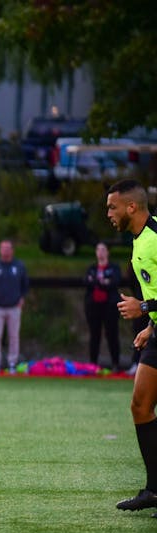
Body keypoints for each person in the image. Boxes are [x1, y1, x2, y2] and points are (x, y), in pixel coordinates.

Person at [110, 179, 157, 515]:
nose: (108, 214)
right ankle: (153, 490)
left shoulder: (155, 238)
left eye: (112, 207)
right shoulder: (138, 241)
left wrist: (141, 309)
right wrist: (151, 327)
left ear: (131, 207)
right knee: (140, 405)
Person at [0, 238, 29, 375]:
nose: (5, 251)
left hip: (14, 307)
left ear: (12, 250)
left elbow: (25, 284)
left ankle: (12, 363)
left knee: (14, 336)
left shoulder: (19, 266)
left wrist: (22, 298)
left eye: (8, 248)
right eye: (3, 248)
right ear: (0, 250)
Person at [83, 241, 121, 370]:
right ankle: (93, 364)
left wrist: (100, 282)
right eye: (98, 249)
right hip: (94, 307)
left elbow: (114, 282)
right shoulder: (92, 268)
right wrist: (103, 282)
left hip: (109, 307)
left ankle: (115, 364)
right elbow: (87, 282)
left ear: (107, 252)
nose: (100, 252)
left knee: (112, 335)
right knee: (94, 335)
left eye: (103, 249)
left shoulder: (114, 268)